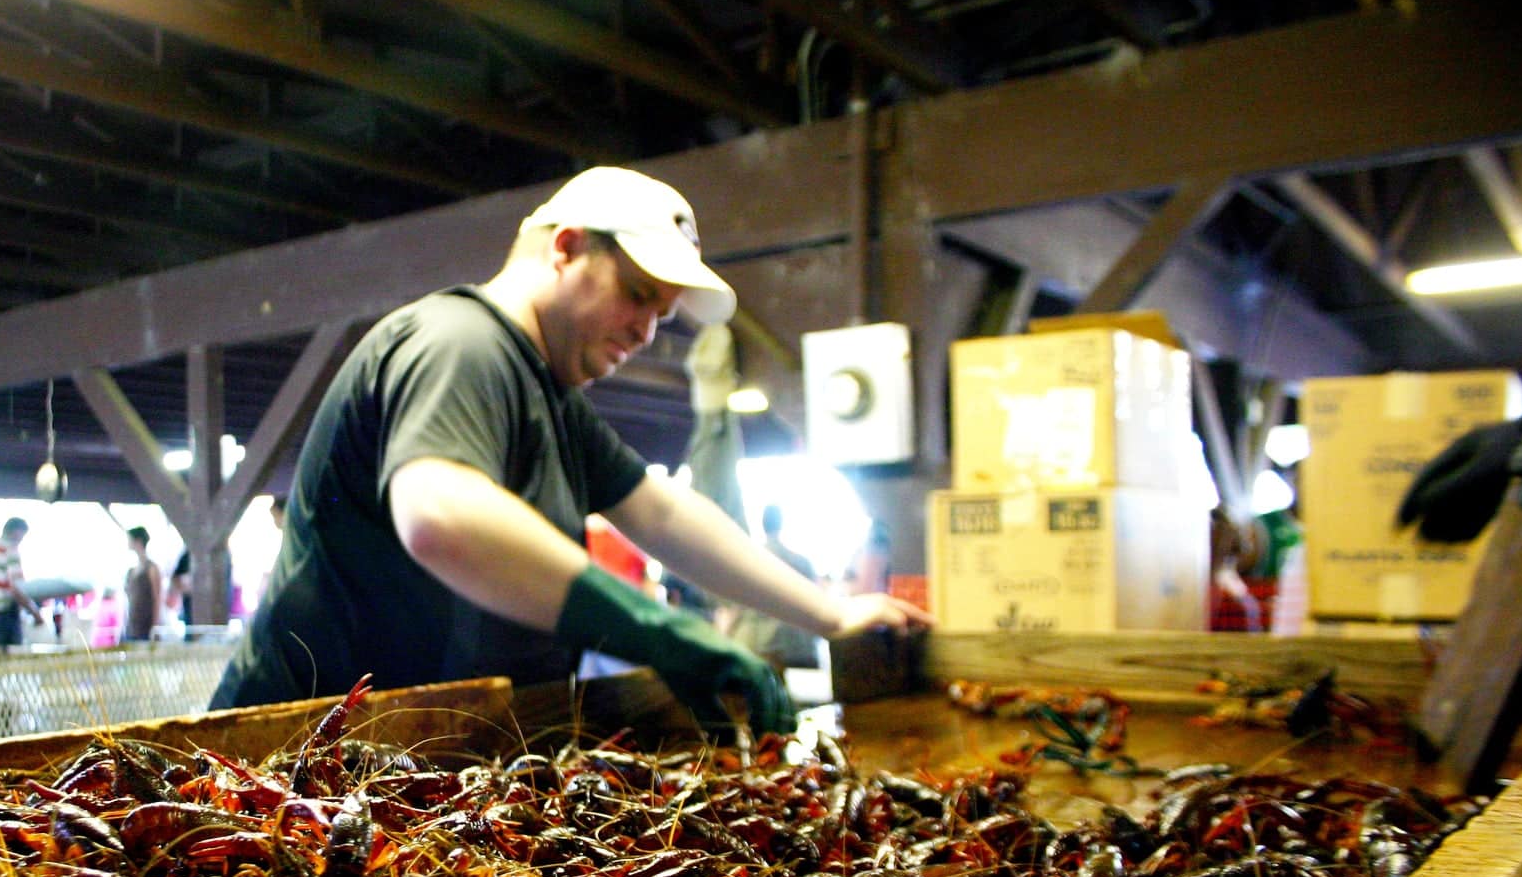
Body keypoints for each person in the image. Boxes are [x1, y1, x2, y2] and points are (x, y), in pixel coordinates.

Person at [209, 165, 929, 736]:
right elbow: (439, 514)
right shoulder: (460, 345)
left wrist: (831, 617)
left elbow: (663, 514)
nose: (648, 331)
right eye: (638, 293)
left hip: (415, 759)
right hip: (290, 765)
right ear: (566, 246)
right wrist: (657, 629)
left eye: (662, 314)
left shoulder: (550, 399)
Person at [729, 506, 824, 673]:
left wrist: (727, 634)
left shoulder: (749, 559)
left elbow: (737, 605)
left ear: (763, 525)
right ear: (781, 524)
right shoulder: (802, 563)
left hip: (760, 647)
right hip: (800, 648)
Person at [0, 517, 41, 648]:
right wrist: (35, 613)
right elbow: (16, 588)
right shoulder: (9, 550)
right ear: (16, 532)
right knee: (12, 663)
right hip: (4, 618)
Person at [122, 526, 162, 643]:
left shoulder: (151, 568)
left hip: (146, 626)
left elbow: (157, 598)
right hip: (132, 625)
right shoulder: (131, 571)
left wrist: (155, 626)